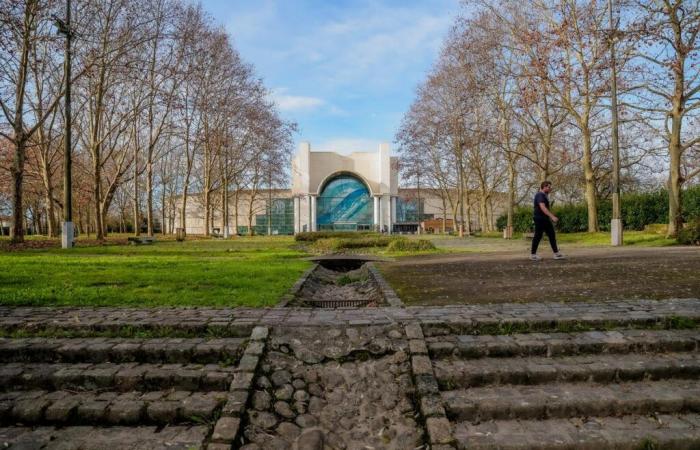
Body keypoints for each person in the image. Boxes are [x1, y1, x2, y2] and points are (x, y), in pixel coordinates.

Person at [531, 181, 565, 261]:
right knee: (538, 236)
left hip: (545, 219)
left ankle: (556, 254)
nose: (550, 189)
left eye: (550, 187)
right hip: (539, 219)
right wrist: (552, 216)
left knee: (552, 235)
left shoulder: (544, 196)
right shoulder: (540, 195)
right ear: (544, 187)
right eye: (549, 187)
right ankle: (533, 255)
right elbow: (542, 207)